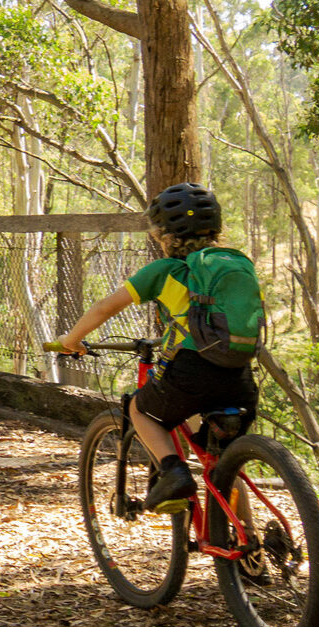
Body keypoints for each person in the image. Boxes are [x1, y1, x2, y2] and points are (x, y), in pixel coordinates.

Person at [53, 183, 264, 513]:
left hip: (191, 374)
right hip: (240, 378)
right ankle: (249, 544)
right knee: (220, 458)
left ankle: (173, 472)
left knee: (140, 410)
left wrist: (71, 340)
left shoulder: (165, 270)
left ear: (164, 233)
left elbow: (104, 309)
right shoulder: (236, 264)